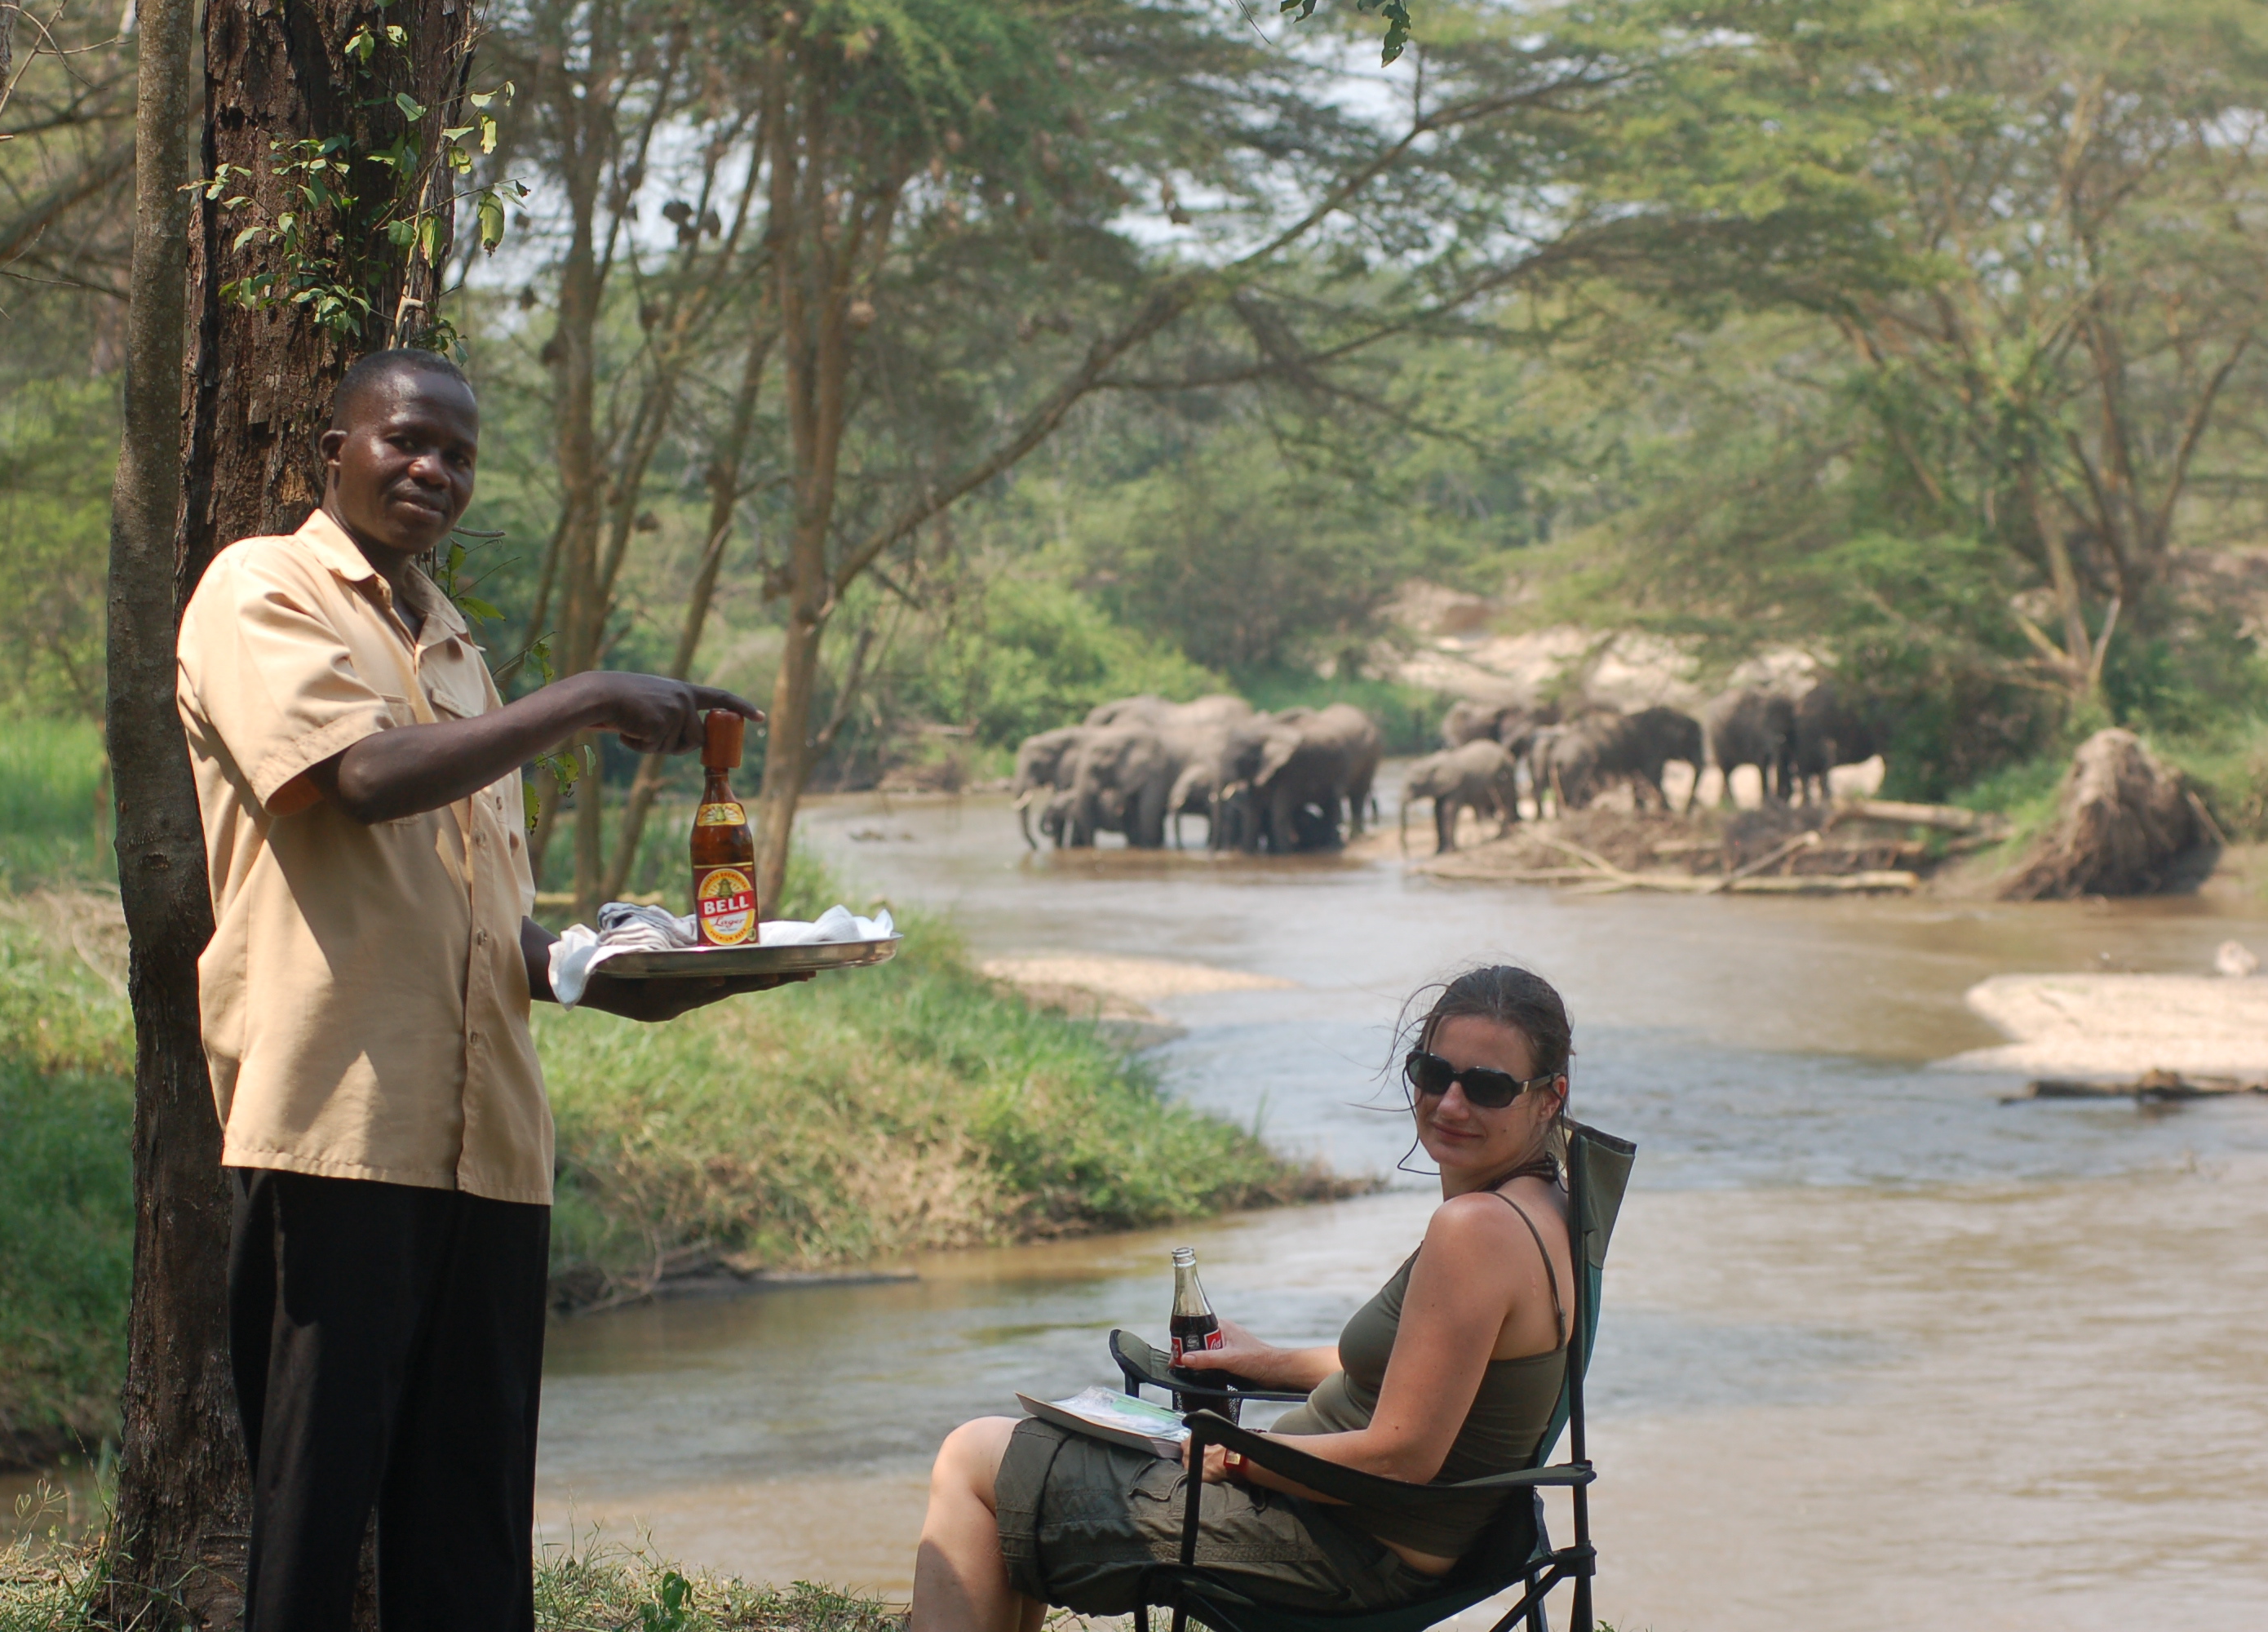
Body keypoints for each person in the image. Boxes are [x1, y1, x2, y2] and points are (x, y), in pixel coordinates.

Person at [175, 347, 791, 1632]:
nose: (432, 470)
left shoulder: (452, 644)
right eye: (405, 441)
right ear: (333, 450)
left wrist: (611, 973)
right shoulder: (261, 590)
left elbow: (482, 926)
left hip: (494, 1148)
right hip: (340, 1128)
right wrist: (588, 699)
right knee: (313, 1521)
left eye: (457, 455)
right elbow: (358, 781)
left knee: (469, 1539)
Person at [909, 965, 1578, 1630]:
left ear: (1549, 1098)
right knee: (1026, 1459)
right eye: (1433, 1074)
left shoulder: (1476, 1231)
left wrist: (1234, 1455)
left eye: (1488, 1087)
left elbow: (1401, 1456)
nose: (1451, 1104)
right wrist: (1269, 1362)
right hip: (1358, 1526)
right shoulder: (1547, 1205)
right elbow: (1436, 1371)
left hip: (1338, 1548)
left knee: (974, 1458)